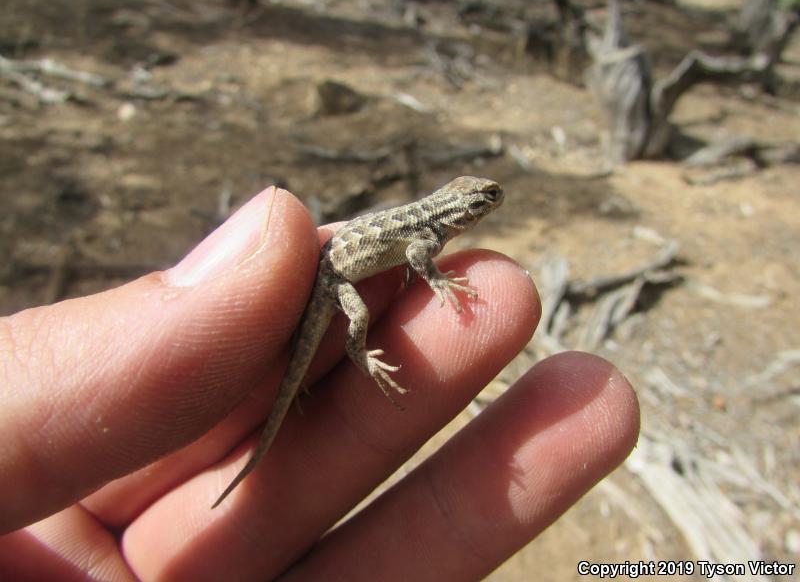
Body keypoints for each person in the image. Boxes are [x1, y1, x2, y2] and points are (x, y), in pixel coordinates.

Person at [0, 187, 639, 579]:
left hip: (340, 267)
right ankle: (359, 361)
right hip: (333, 280)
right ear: (465, 209)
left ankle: (327, 382)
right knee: (350, 327)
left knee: (325, 353)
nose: (487, 208)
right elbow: (418, 257)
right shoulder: (429, 229)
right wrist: (440, 283)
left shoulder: (431, 221)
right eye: (486, 201)